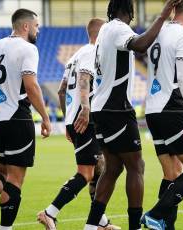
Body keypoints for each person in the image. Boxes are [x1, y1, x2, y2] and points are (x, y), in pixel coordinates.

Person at [84, 1, 180, 229]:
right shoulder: (118, 27)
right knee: (137, 167)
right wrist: (163, 15)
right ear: (129, 11)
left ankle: (90, 225)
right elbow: (141, 44)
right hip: (116, 108)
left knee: (113, 168)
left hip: (101, 107)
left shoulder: (105, 31)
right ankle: (135, 227)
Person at [36, 18, 120, 230]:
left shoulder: (74, 56)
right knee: (86, 173)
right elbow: (84, 79)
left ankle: (100, 221)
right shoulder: (93, 52)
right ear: (101, 34)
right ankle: (49, 212)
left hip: (78, 118)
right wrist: (84, 108)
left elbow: (62, 90)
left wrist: (67, 119)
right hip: (85, 119)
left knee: (100, 168)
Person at [0, 8, 51, 230]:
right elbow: (31, 85)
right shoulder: (28, 49)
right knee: (15, 180)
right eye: (36, 26)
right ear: (25, 26)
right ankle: (4, 228)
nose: (38, 30)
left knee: (0, 172)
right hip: (17, 117)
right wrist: (45, 118)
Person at [141, 1, 183, 229]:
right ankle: (155, 214)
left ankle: (166, 226)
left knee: (172, 173)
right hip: (171, 106)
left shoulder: (158, 31)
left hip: (153, 110)